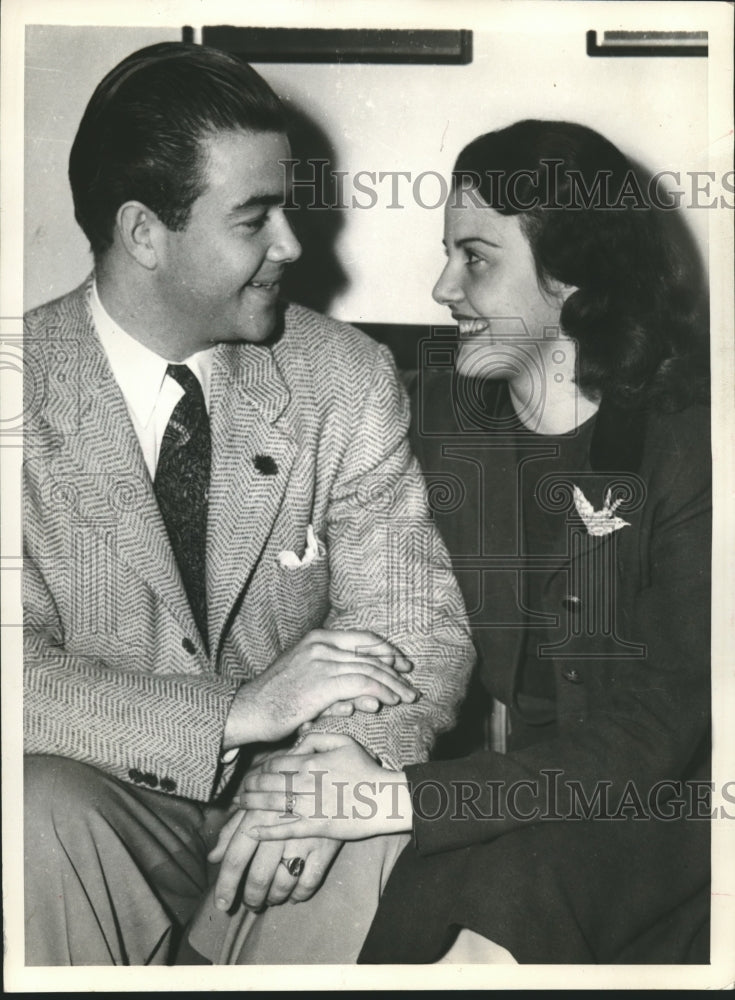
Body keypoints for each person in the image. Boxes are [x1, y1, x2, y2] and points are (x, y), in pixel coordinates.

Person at [22, 41, 475, 966]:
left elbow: (416, 627)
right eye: (254, 218)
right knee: (34, 806)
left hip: (285, 820)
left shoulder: (341, 378)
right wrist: (235, 713)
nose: (292, 246)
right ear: (145, 233)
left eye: (289, 209)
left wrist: (327, 779)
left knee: (371, 820)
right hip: (102, 814)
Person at [234, 120, 712, 964]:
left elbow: (661, 728)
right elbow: (383, 617)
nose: (441, 287)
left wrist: (392, 800)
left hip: (668, 821)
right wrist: (328, 768)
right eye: (446, 253)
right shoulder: (435, 426)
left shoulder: (692, 449)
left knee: (495, 901)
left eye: (476, 258)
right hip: (496, 804)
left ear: (572, 279)